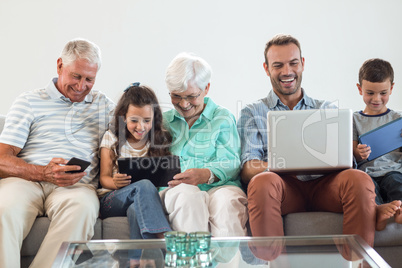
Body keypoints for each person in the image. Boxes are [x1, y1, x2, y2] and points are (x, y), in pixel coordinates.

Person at [237, 34, 377, 247]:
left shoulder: (327, 109)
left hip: (327, 186)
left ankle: (357, 262)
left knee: (359, 180)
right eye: (278, 65)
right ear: (266, 69)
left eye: (293, 63)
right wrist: (283, 165)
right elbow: (248, 168)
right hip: (283, 188)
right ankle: (275, 263)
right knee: (261, 182)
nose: (287, 72)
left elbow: (348, 162)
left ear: (302, 64)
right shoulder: (252, 112)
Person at [0, 38, 115, 268]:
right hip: (25, 181)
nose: (82, 86)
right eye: (76, 76)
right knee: (4, 209)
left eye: (89, 79)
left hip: (76, 187)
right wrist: (43, 172)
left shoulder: (104, 106)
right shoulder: (29, 101)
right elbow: (2, 158)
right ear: (60, 65)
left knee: (82, 207)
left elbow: (139, 129)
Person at [161, 52, 248, 237]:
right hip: (177, 191)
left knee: (227, 204)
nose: (184, 104)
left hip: (220, 186)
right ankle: (194, 262)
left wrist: (206, 174)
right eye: (176, 96)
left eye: (192, 96)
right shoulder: (163, 122)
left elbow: (231, 162)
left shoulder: (222, 117)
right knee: (188, 197)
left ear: (206, 88)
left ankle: (227, 265)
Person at [98, 83, 172, 240]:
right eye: (134, 120)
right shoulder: (111, 138)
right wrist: (115, 183)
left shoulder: (159, 140)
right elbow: (104, 178)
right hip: (111, 200)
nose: (141, 127)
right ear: (124, 117)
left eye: (147, 120)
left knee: (135, 209)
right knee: (144, 185)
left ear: (154, 118)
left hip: (140, 199)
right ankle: (163, 237)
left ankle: (138, 260)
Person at [353, 58, 402, 231]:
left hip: (394, 170)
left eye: (383, 93)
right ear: (360, 89)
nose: (377, 99)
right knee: (368, 188)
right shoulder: (354, 120)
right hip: (368, 172)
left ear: (391, 88)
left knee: (396, 182)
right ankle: (378, 210)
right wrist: (359, 152)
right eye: (370, 93)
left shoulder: (398, 119)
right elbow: (351, 152)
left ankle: (400, 208)